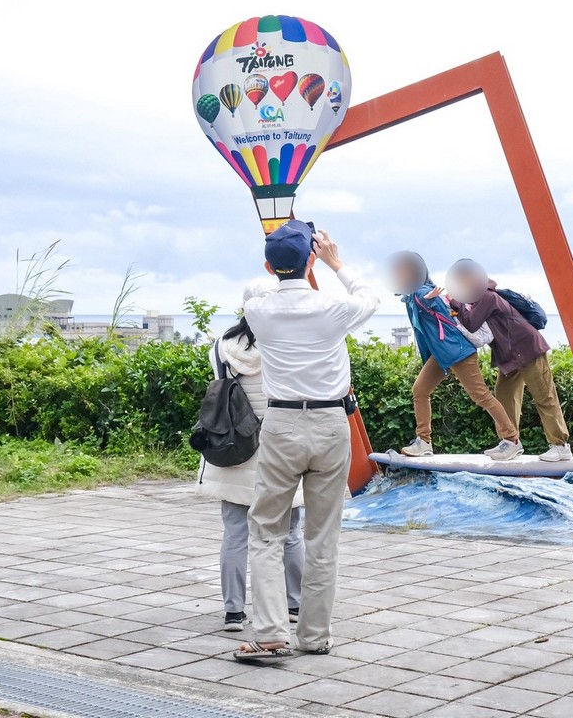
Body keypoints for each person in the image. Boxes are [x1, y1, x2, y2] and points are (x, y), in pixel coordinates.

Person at [234, 220, 379, 662]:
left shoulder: (258, 309)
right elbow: (369, 295)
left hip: (280, 424)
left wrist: (284, 263)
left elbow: (255, 286)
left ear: (268, 265)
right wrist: (335, 262)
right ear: (312, 261)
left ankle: (272, 632)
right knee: (322, 535)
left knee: (265, 532)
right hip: (332, 423)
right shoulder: (332, 309)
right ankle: (314, 635)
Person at [195, 278, 304, 633]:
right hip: (281, 445)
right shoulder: (287, 343)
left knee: (235, 533)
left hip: (235, 447)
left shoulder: (222, 345)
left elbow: (220, 387)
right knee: (289, 532)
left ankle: (232, 612)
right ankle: (294, 605)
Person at [389, 251, 521, 460]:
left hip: (458, 353)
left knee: (481, 396)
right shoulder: (411, 297)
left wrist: (430, 299)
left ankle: (512, 440)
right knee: (420, 390)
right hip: (443, 354)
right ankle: (423, 441)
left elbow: (430, 300)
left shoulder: (421, 292)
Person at [446, 258, 572, 462]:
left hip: (528, 348)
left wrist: (455, 301)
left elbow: (471, 324)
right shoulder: (477, 300)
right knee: (505, 396)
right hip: (509, 357)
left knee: (544, 397)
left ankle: (560, 445)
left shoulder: (487, 297)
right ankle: (511, 442)